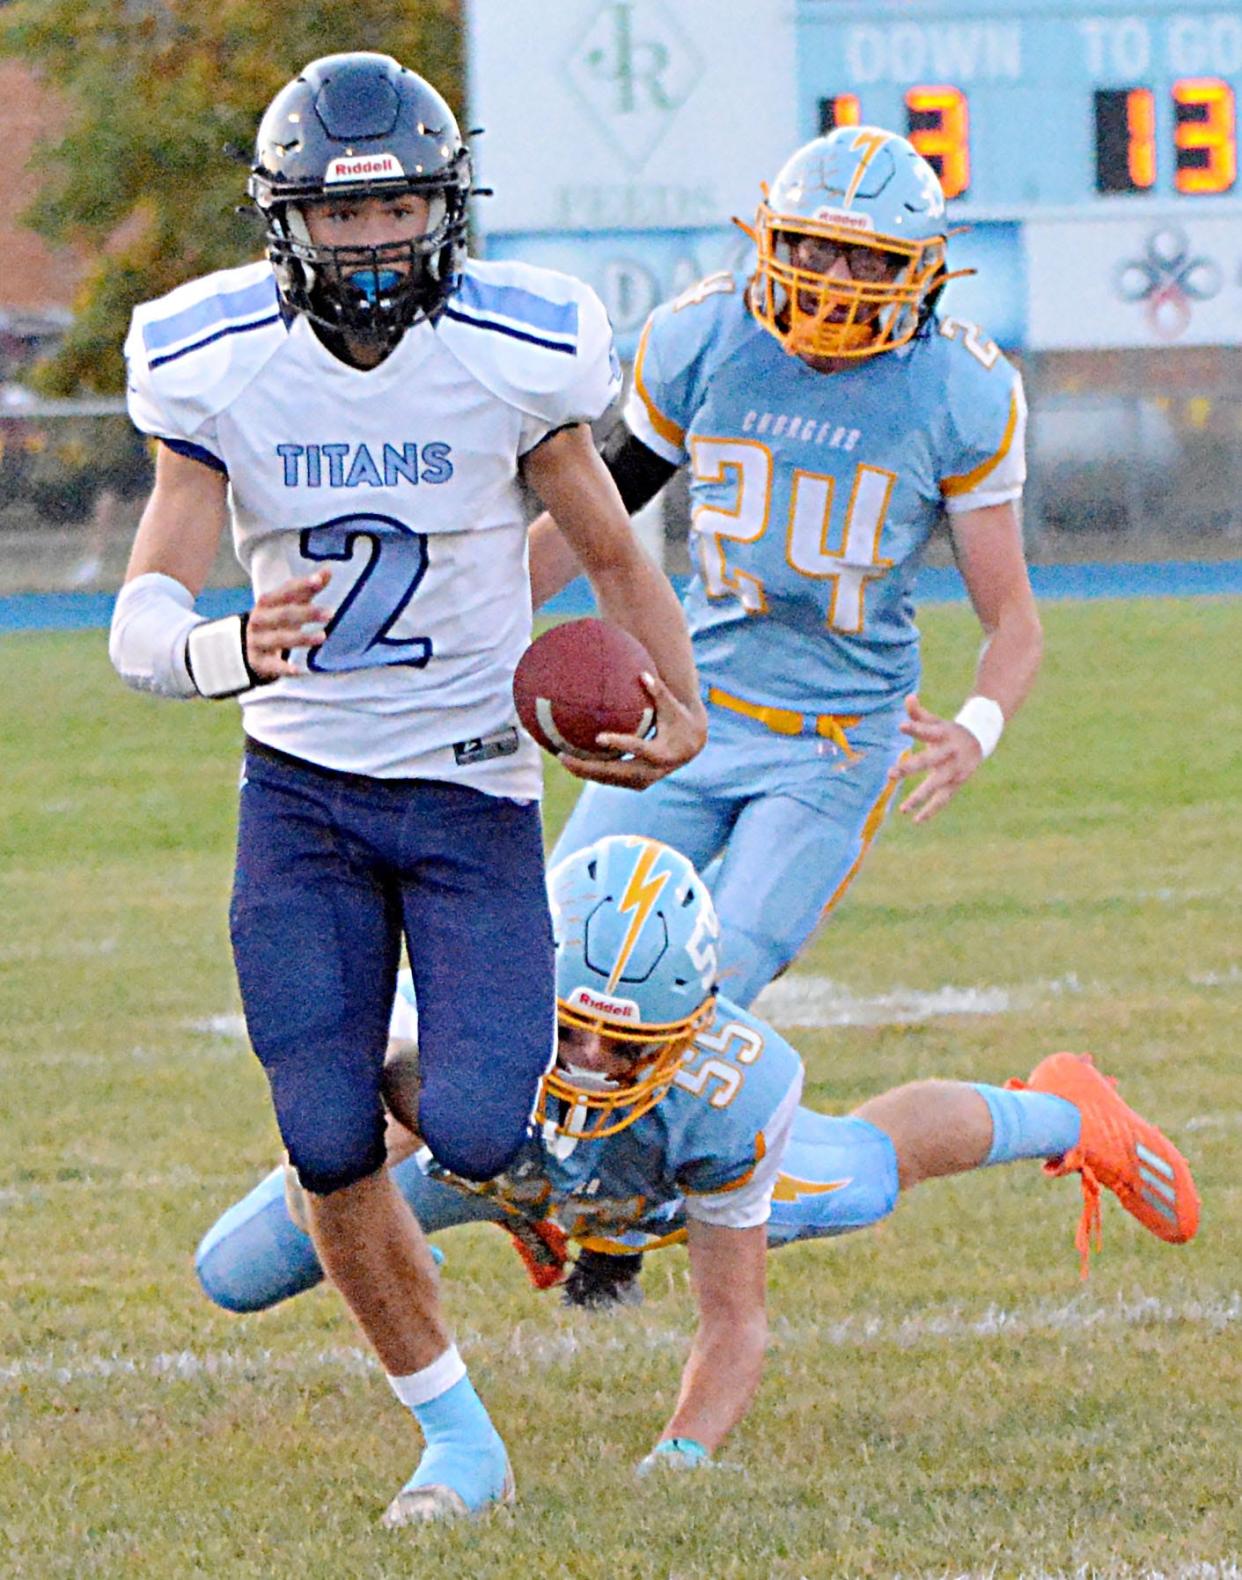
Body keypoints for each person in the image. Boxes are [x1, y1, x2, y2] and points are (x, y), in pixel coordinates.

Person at [107, 53, 705, 1526]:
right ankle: (456, 1440)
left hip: (469, 795)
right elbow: (137, 617)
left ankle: (345, 1061)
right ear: (283, 220)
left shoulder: (519, 346)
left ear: (448, 208)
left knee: (489, 1132)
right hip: (302, 792)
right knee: (323, 1137)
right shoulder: (217, 355)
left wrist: (678, 707)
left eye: (402, 215)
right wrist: (223, 644)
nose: (374, 247)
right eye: (342, 218)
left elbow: (617, 551)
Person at [195, 836, 1200, 1478]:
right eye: (574, 1029)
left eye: (625, 1045)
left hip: (655, 1191)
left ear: (689, 1030)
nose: (591, 1063)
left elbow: (735, 1321)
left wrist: (681, 1453)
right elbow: (339, 1180)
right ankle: (530, 1207)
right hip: (491, 1148)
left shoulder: (729, 1093)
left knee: (866, 1172)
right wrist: (396, 1233)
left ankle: (1065, 1112)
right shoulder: (446, 1025)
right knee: (232, 1271)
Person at [528, 125, 1044, 1009]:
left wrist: (978, 726)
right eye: (816, 247)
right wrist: (463, 618)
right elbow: (593, 525)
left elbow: (1014, 619)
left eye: (865, 259)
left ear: (918, 271)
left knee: (707, 993)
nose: (833, 282)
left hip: (831, 748)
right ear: (775, 238)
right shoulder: (705, 335)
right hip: (685, 710)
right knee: (548, 950)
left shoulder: (959, 387)